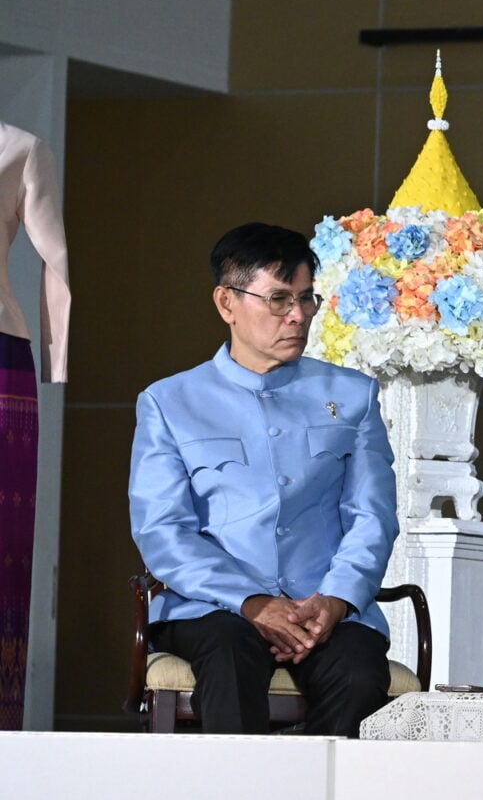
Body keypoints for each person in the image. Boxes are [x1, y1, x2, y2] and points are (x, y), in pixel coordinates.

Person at [131, 224, 399, 736]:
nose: (297, 315)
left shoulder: (354, 395)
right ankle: (240, 789)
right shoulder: (170, 402)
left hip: (325, 606)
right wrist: (251, 602)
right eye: (278, 300)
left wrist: (336, 599)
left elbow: (373, 516)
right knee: (230, 654)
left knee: (359, 671)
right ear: (227, 303)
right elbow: (162, 530)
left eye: (306, 298)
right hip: (213, 606)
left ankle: (320, 788)